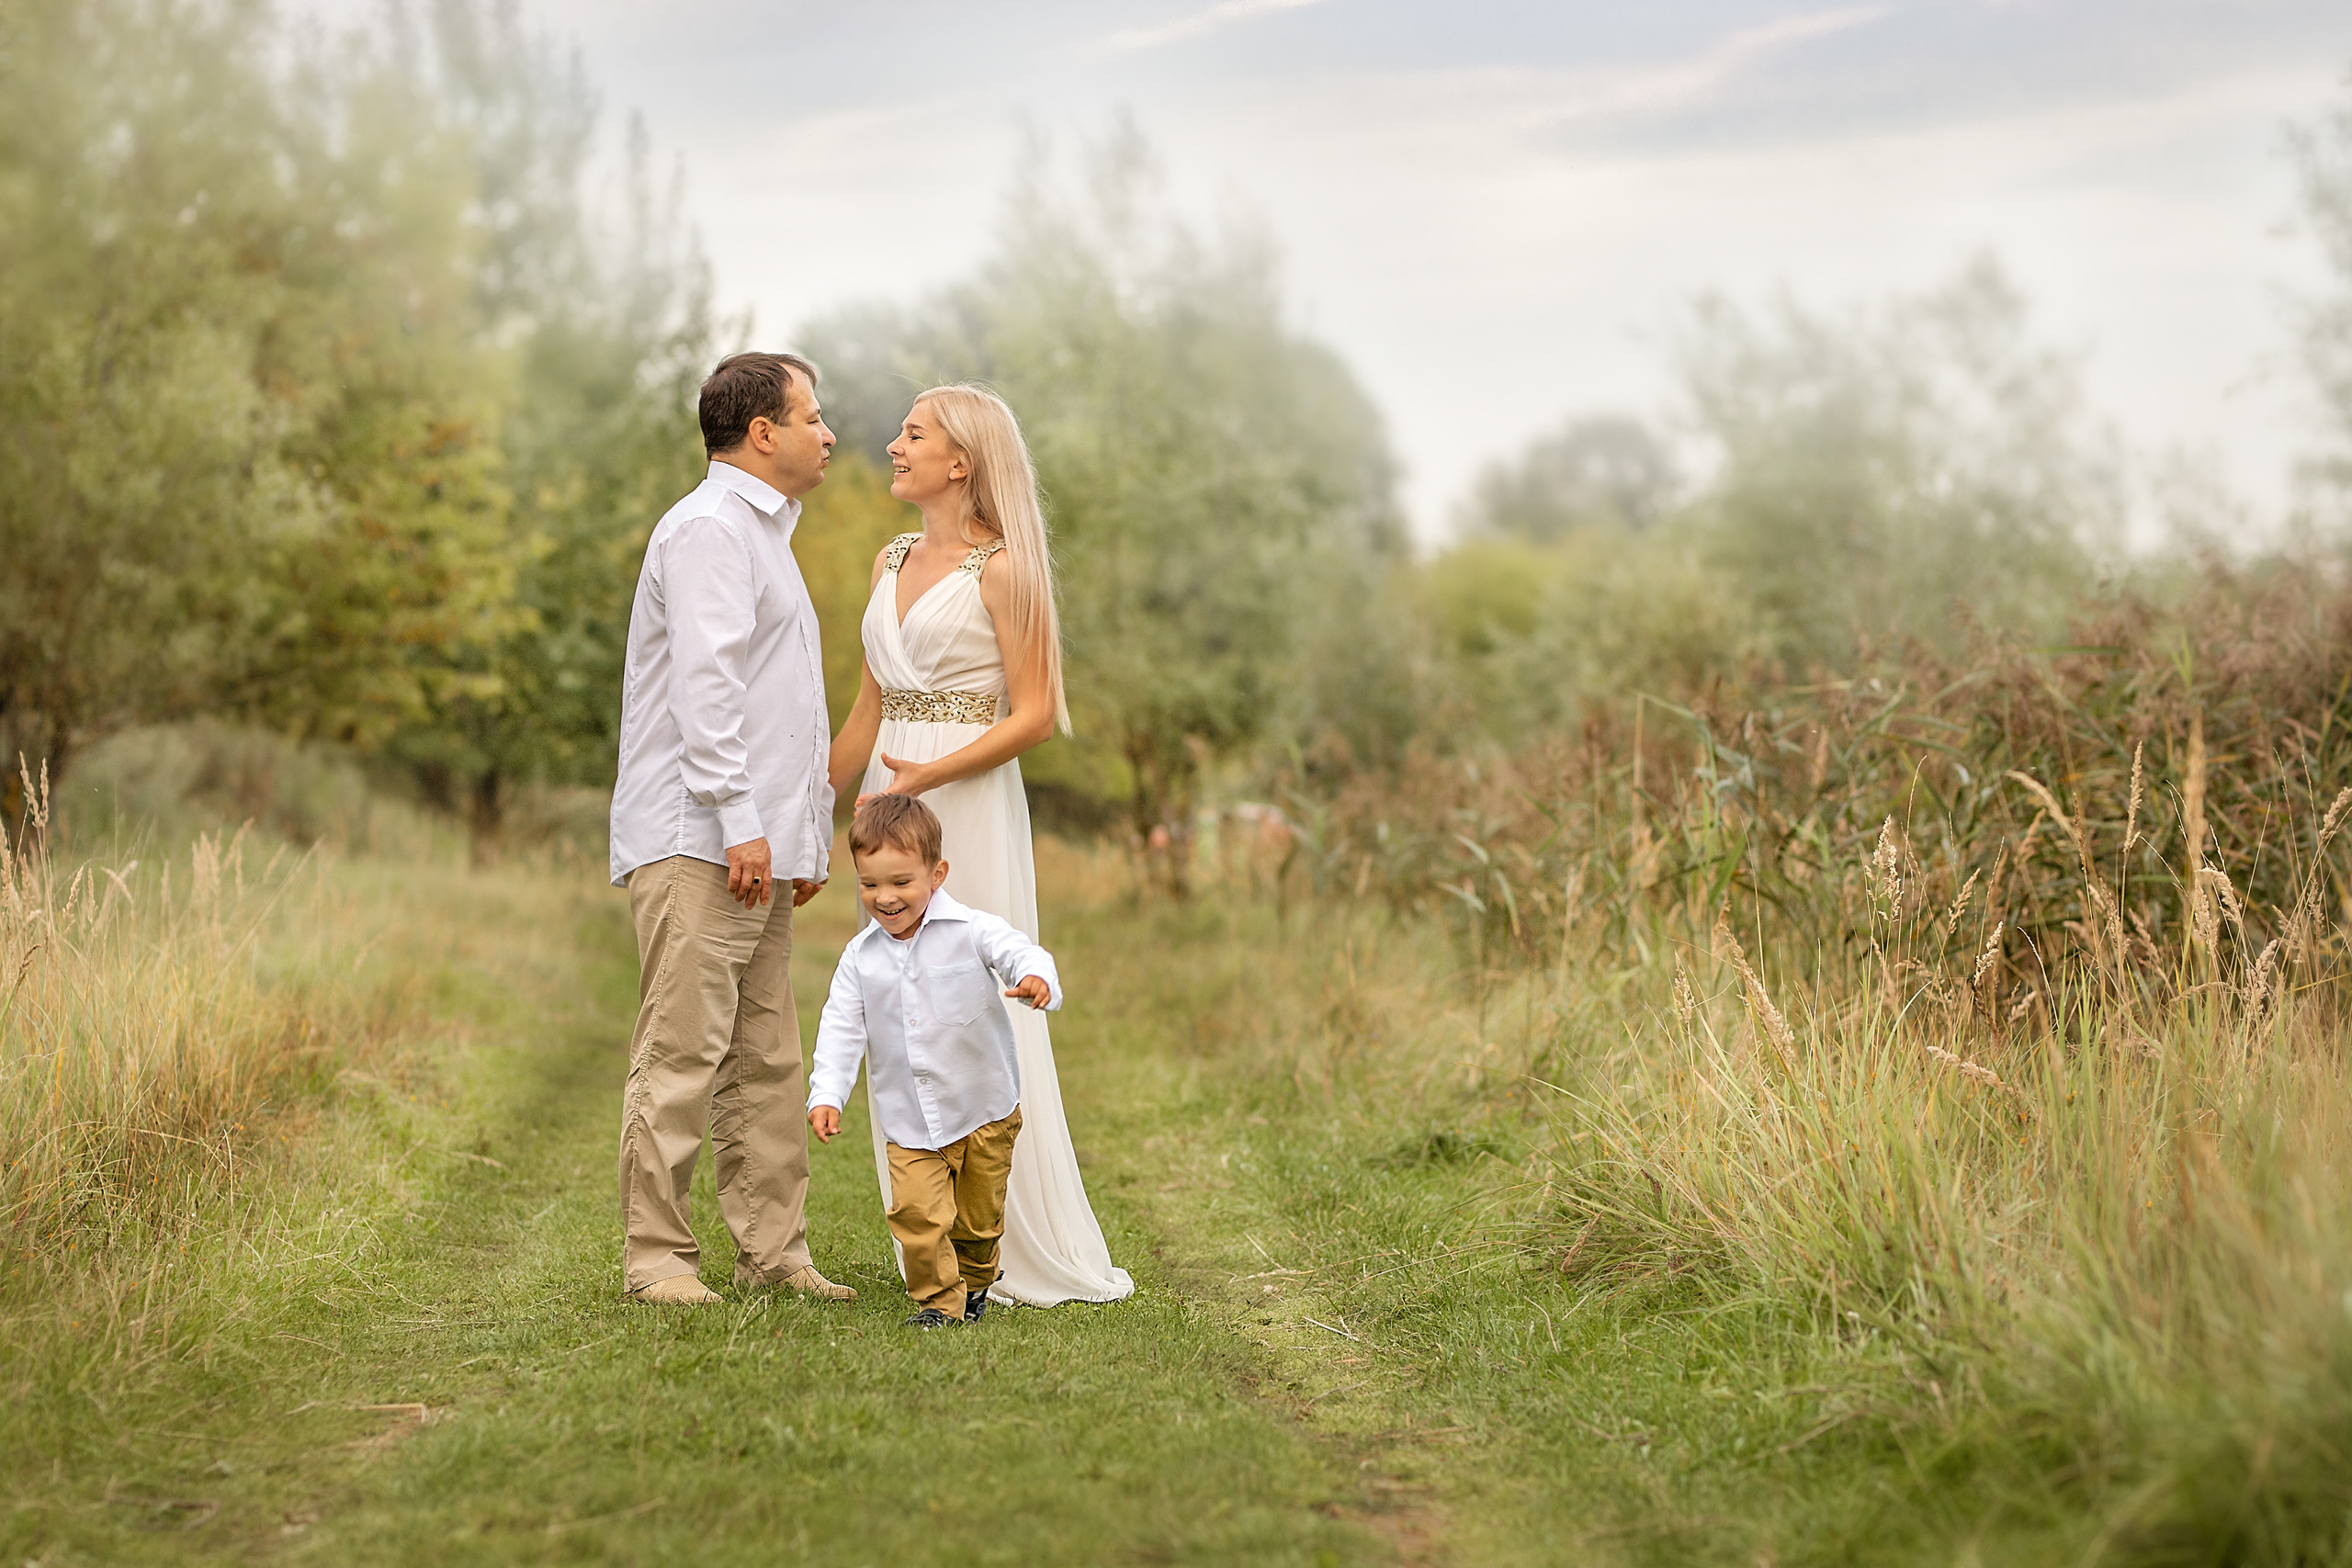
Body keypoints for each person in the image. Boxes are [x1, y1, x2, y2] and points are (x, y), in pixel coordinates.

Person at [828, 383, 1134, 1307]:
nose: (892, 445)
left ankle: (1005, 1244)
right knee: (900, 1005)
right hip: (890, 801)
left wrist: (930, 775)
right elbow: (868, 708)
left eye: (912, 436)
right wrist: (818, 813)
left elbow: (1038, 714)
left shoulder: (1003, 570)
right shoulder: (888, 559)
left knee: (977, 1009)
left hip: (965, 797)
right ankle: (930, 1246)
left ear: (961, 462)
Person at [606, 351, 856, 1306]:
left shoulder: (765, 537)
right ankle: (658, 1260)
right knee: (680, 1053)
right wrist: (743, 825)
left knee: (765, 1058)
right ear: (762, 433)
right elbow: (704, 692)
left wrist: (799, 836)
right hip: (700, 839)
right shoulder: (712, 530)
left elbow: (779, 708)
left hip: (755, 845)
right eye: (812, 416)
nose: (827, 434)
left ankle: (775, 1252)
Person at [807, 795, 1060, 1329]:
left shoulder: (971, 930)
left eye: (901, 882)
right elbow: (840, 1028)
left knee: (978, 1221)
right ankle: (938, 1303)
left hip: (983, 1109)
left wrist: (1037, 979)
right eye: (870, 884)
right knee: (918, 1216)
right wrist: (827, 1093)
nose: (885, 897)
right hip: (910, 1122)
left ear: (937, 873)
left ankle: (976, 1281)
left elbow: (1020, 952)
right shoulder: (860, 958)